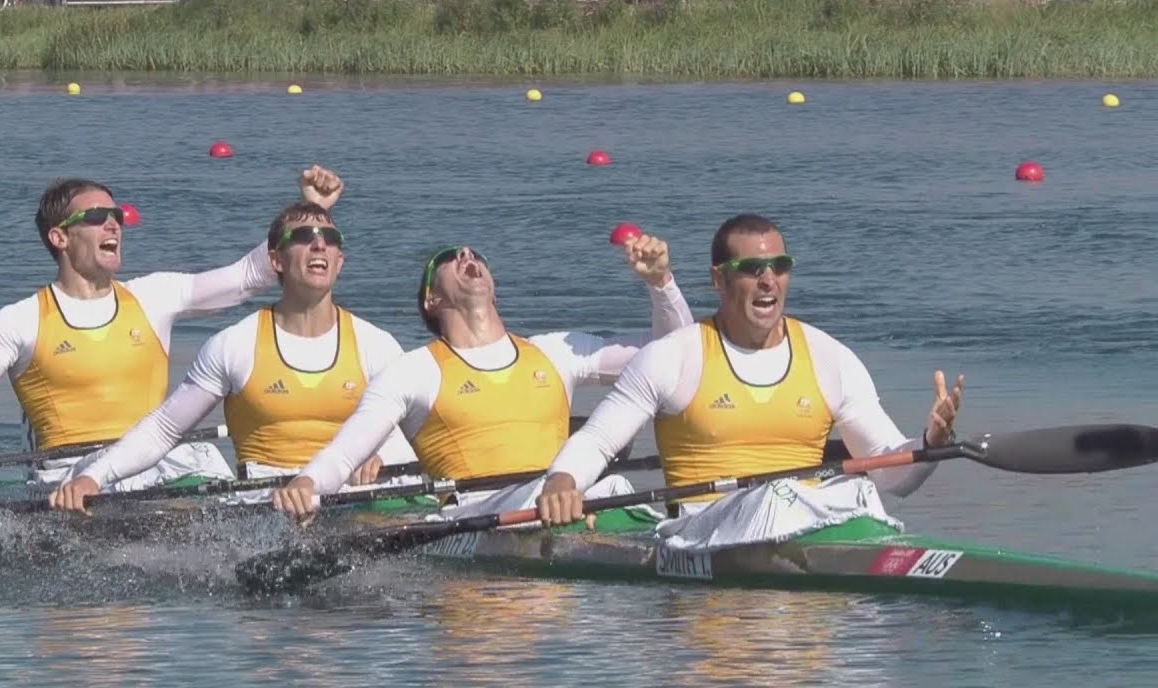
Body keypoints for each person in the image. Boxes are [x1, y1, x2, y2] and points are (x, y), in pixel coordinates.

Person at [536, 213, 964, 547]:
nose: (768, 280)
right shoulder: (673, 357)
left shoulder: (830, 358)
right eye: (752, 267)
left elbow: (891, 475)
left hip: (807, 524)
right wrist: (562, 481)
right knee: (775, 497)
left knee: (857, 492)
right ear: (719, 279)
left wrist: (930, 444)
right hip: (703, 534)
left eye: (779, 266)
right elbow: (597, 442)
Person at [0, 165, 346, 493]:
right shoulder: (21, 319)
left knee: (210, 466)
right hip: (68, 476)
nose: (114, 224)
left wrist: (312, 215)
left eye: (117, 215)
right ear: (59, 237)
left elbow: (246, 278)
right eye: (98, 216)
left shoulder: (153, 296)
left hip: (151, 463)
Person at [267, 234, 695, 520]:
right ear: (431, 298)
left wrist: (661, 284)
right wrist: (307, 484)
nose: (468, 258)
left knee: (614, 485)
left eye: (476, 256)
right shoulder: (414, 371)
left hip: (568, 499)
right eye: (451, 259)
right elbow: (345, 455)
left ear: (493, 287)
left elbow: (673, 358)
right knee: (563, 491)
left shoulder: (556, 351)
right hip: (476, 514)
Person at [47, 198, 418, 512]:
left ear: (340, 261)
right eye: (303, 238)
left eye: (329, 239)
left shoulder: (377, 345)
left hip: (353, 495)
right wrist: (94, 477)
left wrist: (386, 458)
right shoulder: (234, 345)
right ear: (275, 260)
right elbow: (164, 429)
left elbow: (421, 433)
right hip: (267, 500)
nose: (319, 246)